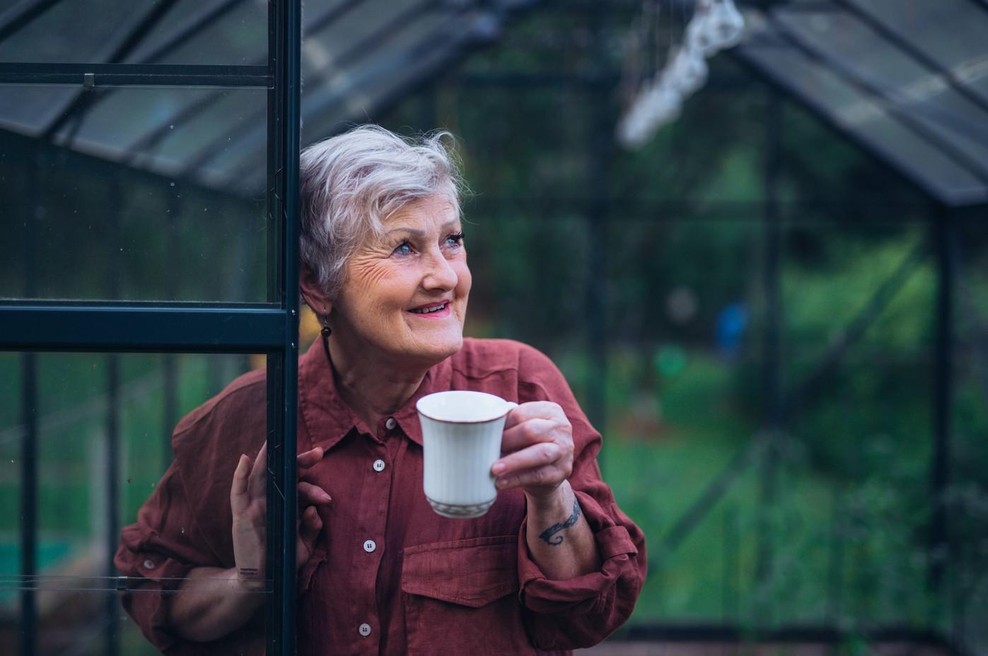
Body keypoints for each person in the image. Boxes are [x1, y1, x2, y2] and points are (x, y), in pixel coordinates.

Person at [115, 125, 646, 655]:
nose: (444, 276)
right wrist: (253, 579)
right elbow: (152, 594)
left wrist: (551, 496)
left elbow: (593, 613)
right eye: (404, 248)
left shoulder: (520, 386)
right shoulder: (246, 423)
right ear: (317, 285)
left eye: (451, 240)